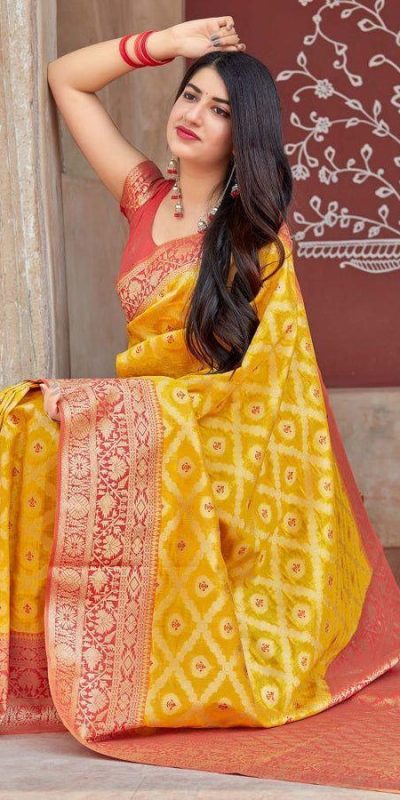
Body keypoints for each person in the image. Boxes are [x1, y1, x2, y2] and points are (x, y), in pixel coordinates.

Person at [1, 17, 400, 765]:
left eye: (219, 111)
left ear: (243, 135)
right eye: (190, 96)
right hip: (147, 424)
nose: (194, 116)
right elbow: (65, 80)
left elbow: (267, 389)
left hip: (223, 445)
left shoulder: (257, 238)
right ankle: (44, 662)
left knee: (68, 413)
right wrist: (166, 44)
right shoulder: (143, 197)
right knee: (22, 417)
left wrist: (124, 409)